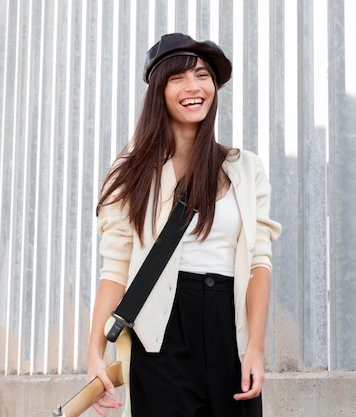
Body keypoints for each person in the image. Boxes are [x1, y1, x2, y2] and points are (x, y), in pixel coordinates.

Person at [86, 32, 281, 417]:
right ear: (158, 91)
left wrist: (255, 348)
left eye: (202, 76)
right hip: (161, 336)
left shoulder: (245, 168)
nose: (194, 87)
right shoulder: (132, 175)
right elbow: (116, 268)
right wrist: (94, 351)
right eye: (178, 78)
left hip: (229, 332)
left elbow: (259, 261)